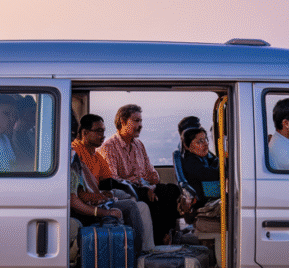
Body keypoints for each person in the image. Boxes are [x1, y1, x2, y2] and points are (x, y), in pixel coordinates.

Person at [98, 104, 185, 244]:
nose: (140, 125)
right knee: (152, 201)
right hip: (127, 190)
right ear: (122, 122)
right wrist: (143, 185)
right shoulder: (109, 147)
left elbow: (151, 173)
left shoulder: (139, 145)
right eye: (136, 121)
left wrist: (151, 185)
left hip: (145, 186)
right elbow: (114, 180)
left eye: (141, 121)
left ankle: (165, 235)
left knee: (172, 190)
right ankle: (159, 239)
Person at [72, 114, 154, 251]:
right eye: (98, 131)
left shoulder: (98, 158)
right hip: (89, 201)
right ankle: (139, 253)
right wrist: (100, 202)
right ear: (85, 133)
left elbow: (107, 182)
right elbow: (78, 193)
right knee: (130, 204)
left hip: (97, 195)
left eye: (103, 131)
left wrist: (104, 194)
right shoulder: (75, 153)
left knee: (140, 203)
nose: (102, 135)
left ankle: (148, 249)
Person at [180, 127, 221, 210]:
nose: (206, 144)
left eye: (206, 140)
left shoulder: (203, 156)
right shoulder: (190, 162)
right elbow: (213, 175)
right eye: (200, 141)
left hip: (209, 195)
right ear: (187, 146)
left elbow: (214, 161)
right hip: (204, 201)